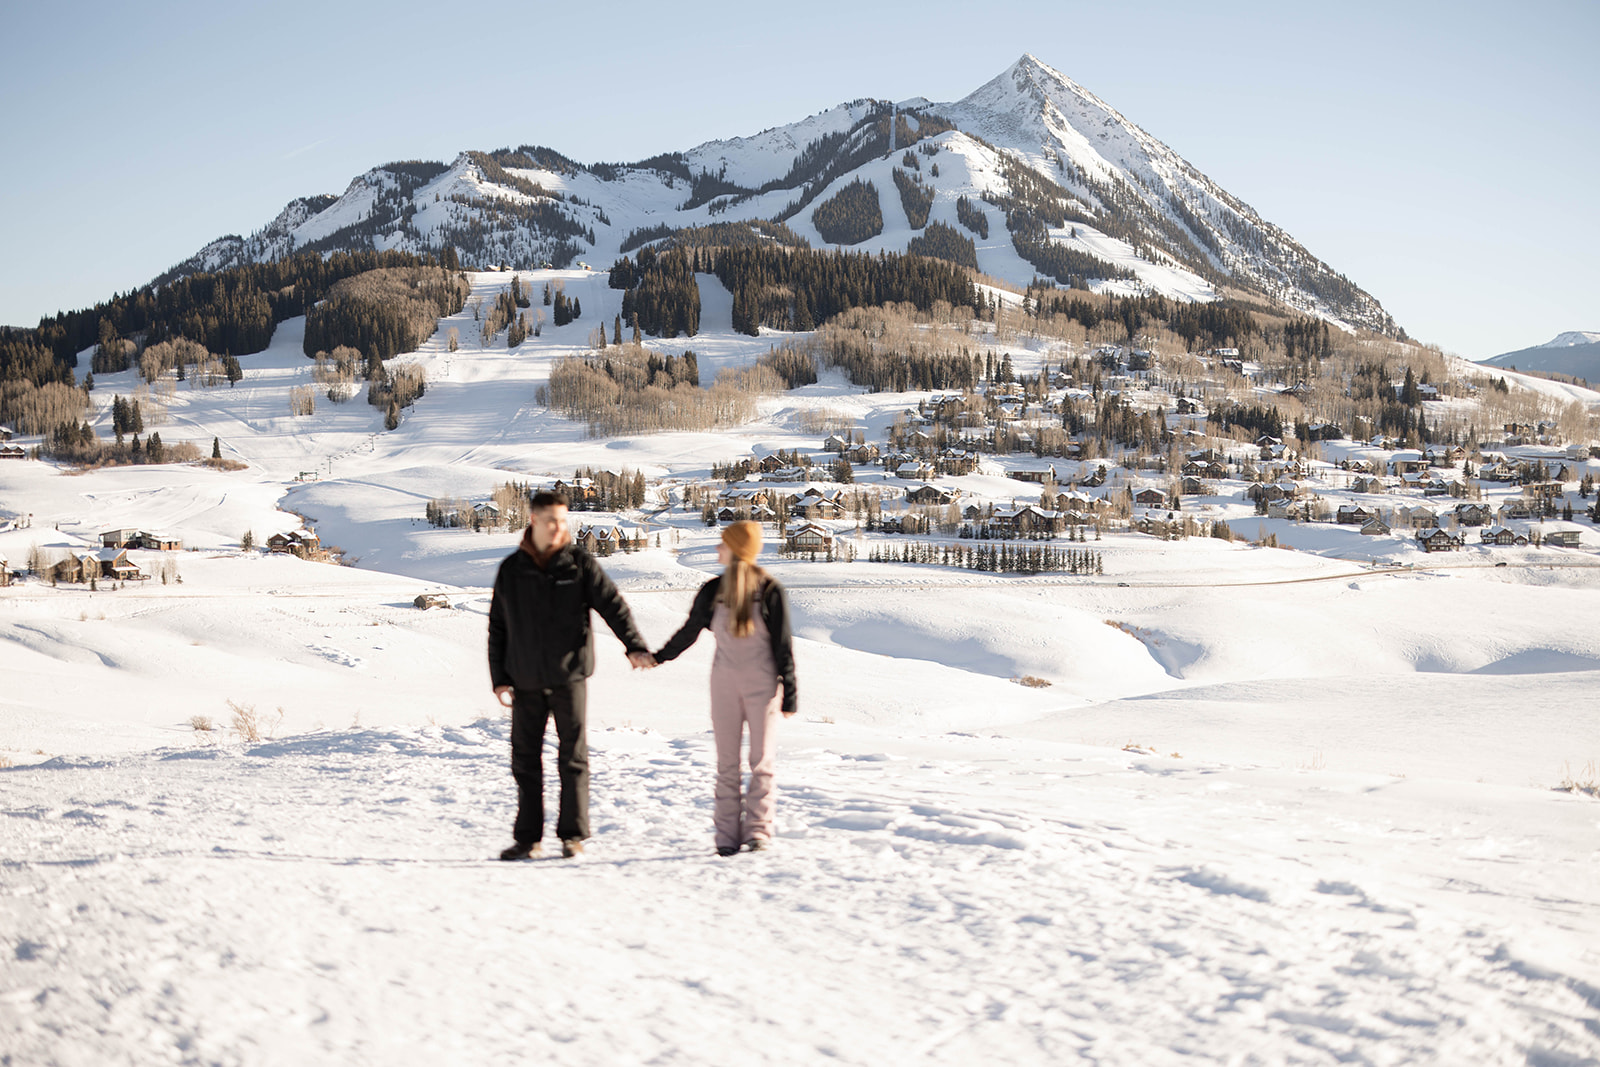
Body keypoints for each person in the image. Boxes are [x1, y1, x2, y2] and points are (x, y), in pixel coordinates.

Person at [488, 490, 655, 860]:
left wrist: (634, 646)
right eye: (552, 520)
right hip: (525, 679)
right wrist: (499, 678)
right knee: (525, 760)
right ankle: (528, 839)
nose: (559, 527)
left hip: (570, 677)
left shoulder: (579, 564)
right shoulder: (512, 569)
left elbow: (613, 605)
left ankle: (572, 836)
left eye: (563, 520)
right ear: (534, 520)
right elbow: (497, 627)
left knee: (573, 758)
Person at [652, 522, 798, 856]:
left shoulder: (769, 590)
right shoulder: (712, 591)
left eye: (723, 544)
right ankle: (726, 839)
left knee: (761, 761)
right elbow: (689, 633)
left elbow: (782, 645)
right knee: (727, 764)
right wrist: (660, 657)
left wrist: (790, 692)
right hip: (724, 685)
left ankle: (758, 833)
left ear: (737, 549)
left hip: (763, 686)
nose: (718, 549)